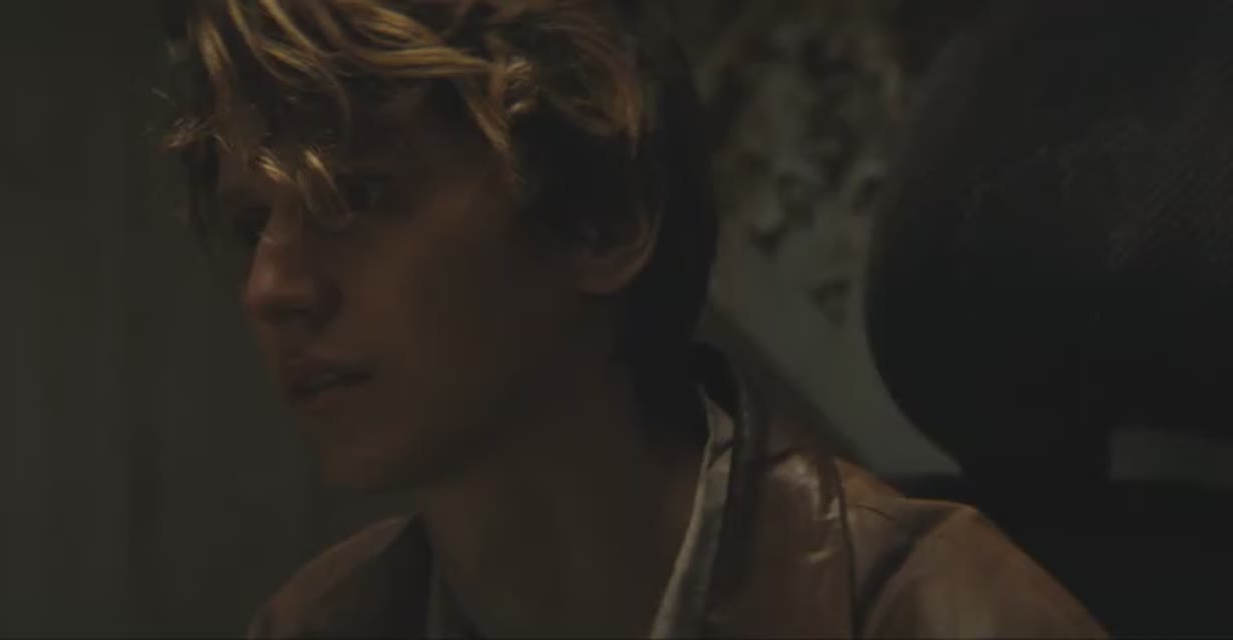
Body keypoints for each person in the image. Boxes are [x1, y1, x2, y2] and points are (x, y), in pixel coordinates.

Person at [160, 1, 1105, 637]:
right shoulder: (317, 623)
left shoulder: (949, 619)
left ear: (600, 218)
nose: (270, 287)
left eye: (357, 198)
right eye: (252, 224)